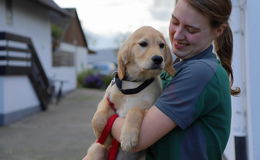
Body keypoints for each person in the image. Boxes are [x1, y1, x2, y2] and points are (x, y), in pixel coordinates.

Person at [111, 0, 240, 159]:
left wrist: (106, 117)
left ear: (218, 30)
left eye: (191, 30)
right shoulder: (173, 69)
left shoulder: (200, 72)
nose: (177, 35)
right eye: (175, 22)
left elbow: (137, 139)